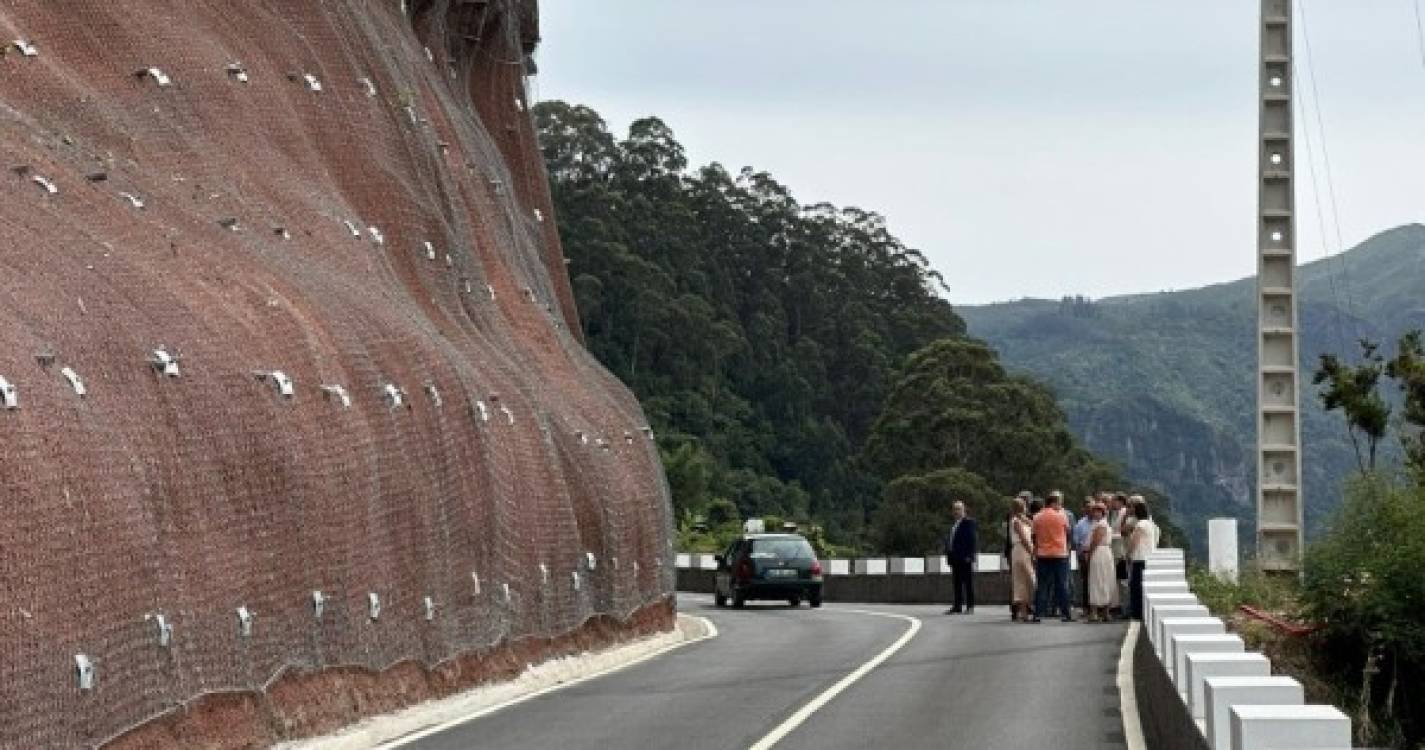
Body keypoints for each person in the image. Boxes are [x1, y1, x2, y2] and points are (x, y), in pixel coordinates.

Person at [1031, 491, 1073, 623]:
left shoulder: (1037, 517)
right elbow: (1068, 532)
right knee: (1062, 584)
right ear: (1053, 503)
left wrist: (1038, 547)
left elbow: (1033, 535)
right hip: (1060, 553)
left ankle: (1038, 613)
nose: (1060, 506)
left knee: (1042, 585)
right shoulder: (1062, 516)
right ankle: (1066, 613)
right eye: (1058, 503)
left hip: (1043, 554)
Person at [1126, 499, 1160, 620]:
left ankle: (1136, 612)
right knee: (1143, 587)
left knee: (1136, 587)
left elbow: (1134, 541)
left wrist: (1128, 553)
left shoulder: (1140, 525)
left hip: (1139, 558)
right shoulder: (1151, 525)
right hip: (1149, 557)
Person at [943, 500, 978, 614]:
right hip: (955, 558)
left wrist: (970, 555)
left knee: (968, 583)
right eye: (954, 509)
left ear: (964, 510)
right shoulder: (954, 525)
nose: (956, 511)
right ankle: (957, 606)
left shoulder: (968, 522)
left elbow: (972, 540)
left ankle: (970, 606)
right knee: (956, 583)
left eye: (959, 509)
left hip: (965, 558)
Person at [1086, 503, 1117, 622]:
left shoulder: (1101, 525)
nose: (1095, 513)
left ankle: (1097, 612)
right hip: (1105, 552)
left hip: (1100, 552)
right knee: (1104, 579)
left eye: (1098, 511)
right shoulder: (1102, 524)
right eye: (1094, 511)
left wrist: (1089, 554)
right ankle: (1104, 612)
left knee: (1098, 579)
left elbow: (1095, 541)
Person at [1007, 497, 1036, 622]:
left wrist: (1027, 520)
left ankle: (1025, 610)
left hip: (1022, 550)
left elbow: (1034, 527)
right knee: (1025, 580)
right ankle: (1023, 611)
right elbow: (1023, 538)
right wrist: (1032, 551)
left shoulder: (1023, 520)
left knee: (1026, 580)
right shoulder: (1016, 521)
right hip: (1021, 549)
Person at [1072, 498, 1095, 618]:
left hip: (1097, 555)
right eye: (1089, 509)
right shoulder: (1080, 524)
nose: (1091, 511)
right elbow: (1076, 541)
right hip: (1084, 555)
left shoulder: (1099, 523)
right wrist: (1082, 553)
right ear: (1085, 510)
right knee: (1086, 581)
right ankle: (1086, 607)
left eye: (1093, 509)